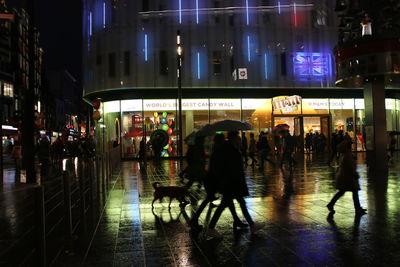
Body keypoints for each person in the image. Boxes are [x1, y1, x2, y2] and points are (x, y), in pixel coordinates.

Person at [206, 131, 265, 238]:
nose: (240, 139)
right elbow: (231, 169)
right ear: (233, 138)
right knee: (225, 205)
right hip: (231, 183)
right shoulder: (229, 151)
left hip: (231, 183)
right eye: (238, 137)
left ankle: (251, 225)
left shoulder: (230, 149)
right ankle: (211, 228)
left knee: (240, 203)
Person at [189, 133, 246, 230]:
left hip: (211, 178)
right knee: (215, 199)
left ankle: (236, 220)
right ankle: (197, 220)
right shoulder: (217, 150)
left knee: (226, 200)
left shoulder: (215, 149)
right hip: (213, 179)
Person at [326, 141, 367, 215]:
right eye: (350, 146)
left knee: (343, 192)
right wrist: (355, 175)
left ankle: (331, 204)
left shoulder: (344, 155)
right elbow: (350, 167)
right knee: (353, 192)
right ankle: (357, 208)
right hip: (348, 178)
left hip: (344, 177)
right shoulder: (347, 156)